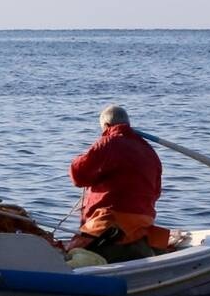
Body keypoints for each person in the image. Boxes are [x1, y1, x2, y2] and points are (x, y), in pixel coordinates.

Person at [68, 105, 168, 262]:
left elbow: (78, 176)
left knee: (70, 253)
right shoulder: (150, 151)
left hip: (111, 226)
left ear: (106, 126)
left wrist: (81, 157)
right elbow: (156, 193)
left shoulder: (107, 143)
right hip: (143, 225)